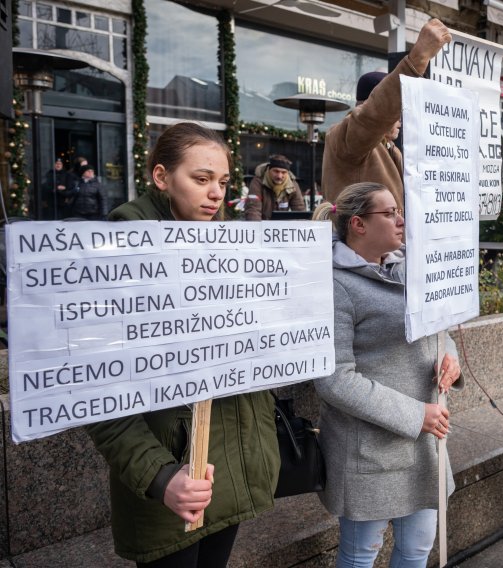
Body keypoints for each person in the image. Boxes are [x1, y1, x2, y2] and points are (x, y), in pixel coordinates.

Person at [86, 122, 281, 567]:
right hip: (170, 482)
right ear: (161, 177)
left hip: (230, 472)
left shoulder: (229, 242)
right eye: (201, 179)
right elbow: (99, 392)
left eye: (223, 182)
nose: (216, 193)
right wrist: (160, 476)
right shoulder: (122, 248)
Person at [312, 181, 462, 567]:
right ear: (358, 224)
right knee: (361, 554)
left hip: (426, 445)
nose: (400, 220)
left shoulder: (410, 268)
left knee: (417, 549)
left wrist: (451, 358)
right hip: (370, 450)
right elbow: (334, 379)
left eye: (399, 211)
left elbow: (437, 330)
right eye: (390, 212)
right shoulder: (333, 285)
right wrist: (416, 415)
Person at [321, 18, 451, 207]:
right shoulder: (346, 139)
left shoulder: (390, 148)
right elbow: (374, 115)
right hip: (362, 236)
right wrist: (418, 59)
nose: (400, 119)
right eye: (396, 110)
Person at [244, 154, 306, 220]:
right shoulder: (258, 182)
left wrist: (302, 227)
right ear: (269, 170)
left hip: (282, 227)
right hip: (262, 225)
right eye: (276, 171)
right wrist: (256, 228)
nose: (279, 176)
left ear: (287, 173)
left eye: (283, 172)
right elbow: (253, 209)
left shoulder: (292, 185)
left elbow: (299, 210)